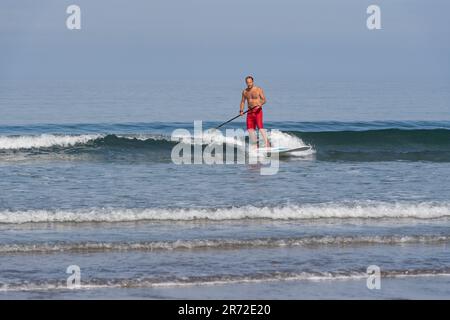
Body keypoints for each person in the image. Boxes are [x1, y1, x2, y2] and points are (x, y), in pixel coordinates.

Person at [239, 76, 271, 148]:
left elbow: (264, 100)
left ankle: (268, 144)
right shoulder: (245, 92)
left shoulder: (258, 89)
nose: (249, 84)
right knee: (250, 129)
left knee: (260, 127)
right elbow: (243, 102)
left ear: (252, 82)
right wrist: (241, 110)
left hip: (257, 111)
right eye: (247, 82)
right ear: (246, 83)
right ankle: (255, 146)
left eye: (250, 82)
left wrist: (260, 104)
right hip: (250, 112)